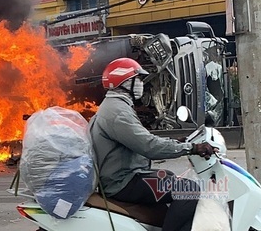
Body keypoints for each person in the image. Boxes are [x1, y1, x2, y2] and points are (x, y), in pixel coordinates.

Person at [89, 58, 215, 231]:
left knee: (170, 176)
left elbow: (139, 138)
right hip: (123, 182)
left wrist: (174, 142)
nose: (141, 84)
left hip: (125, 177)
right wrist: (191, 148)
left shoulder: (116, 106)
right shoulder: (117, 112)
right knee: (189, 189)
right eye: (138, 79)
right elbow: (149, 147)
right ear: (125, 82)